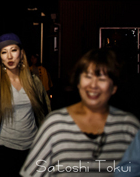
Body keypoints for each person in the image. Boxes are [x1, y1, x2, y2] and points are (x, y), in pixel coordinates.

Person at [21, 48, 140, 177]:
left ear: (114, 87)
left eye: (102, 78)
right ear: (78, 82)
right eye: (88, 76)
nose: (93, 85)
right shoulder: (55, 125)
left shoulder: (129, 127)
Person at [0, 33, 51, 176]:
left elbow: (45, 113)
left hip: (33, 149)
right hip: (5, 151)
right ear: (0, 58)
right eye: (4, 52)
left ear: (21, 54)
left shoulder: (34, 82)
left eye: (13, 50)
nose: (9, 56)